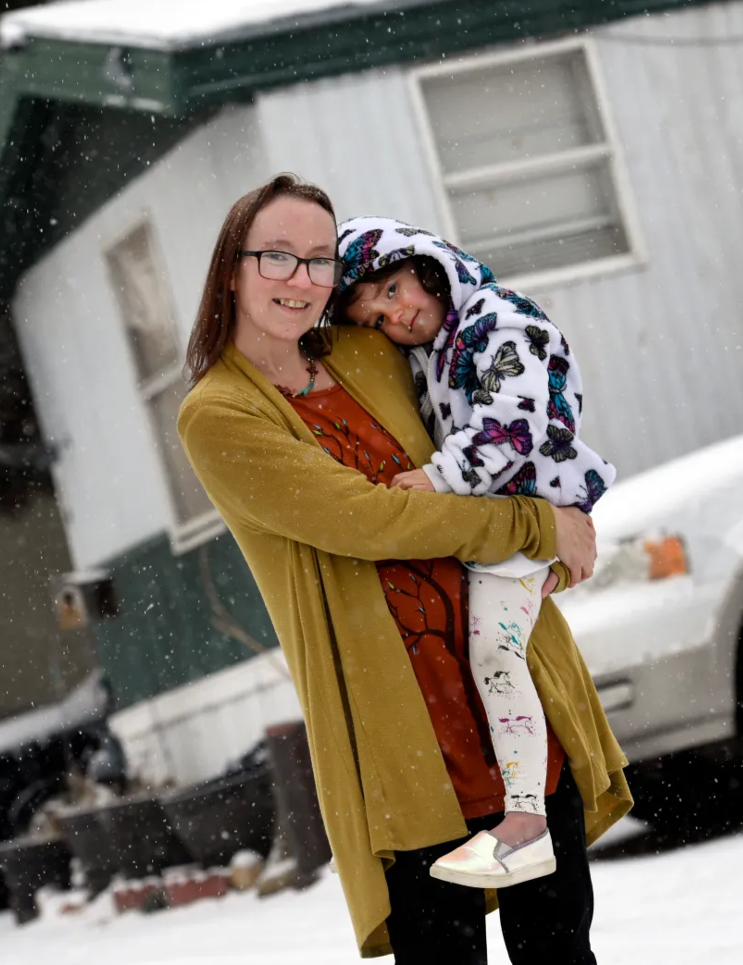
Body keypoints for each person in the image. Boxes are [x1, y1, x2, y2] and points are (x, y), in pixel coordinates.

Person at [177, 173, 631, 963]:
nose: (302, 279)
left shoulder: (371, 349)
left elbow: (499, 406)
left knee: (561, 947)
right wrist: (539, 526)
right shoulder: (219, 414)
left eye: (320, 260)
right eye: (277, 256)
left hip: (510, 686)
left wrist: (553, 516)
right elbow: (371, 520)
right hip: (407, 735)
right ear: (231, 269)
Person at [334, 217, 617, 890]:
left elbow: (513, 422)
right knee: (488, 652)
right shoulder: (438, 347)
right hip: (505, 520)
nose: (397, 316)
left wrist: (440, 477)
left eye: (394, 290)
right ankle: (523, 817)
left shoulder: (497, 320)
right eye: (376, 319)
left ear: (427, 265)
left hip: (529, 505)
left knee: (495, 653)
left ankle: (526, 824)